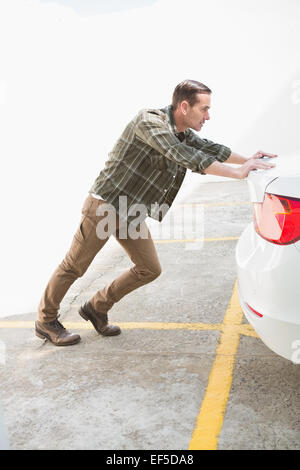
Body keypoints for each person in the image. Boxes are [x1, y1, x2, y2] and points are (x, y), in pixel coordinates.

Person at [35, 79, 277, 346]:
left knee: (149, 268)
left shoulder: (181, 131)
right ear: (184, 106)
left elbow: (209, 148)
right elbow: (181, 154)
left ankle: (96, 307)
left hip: (132, 210)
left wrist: (250, 161)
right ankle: (45, 321)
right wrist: (236, 173)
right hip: (106, 205)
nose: (208, 116)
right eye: (204, 109)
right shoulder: (149, 121)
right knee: (74, 266)